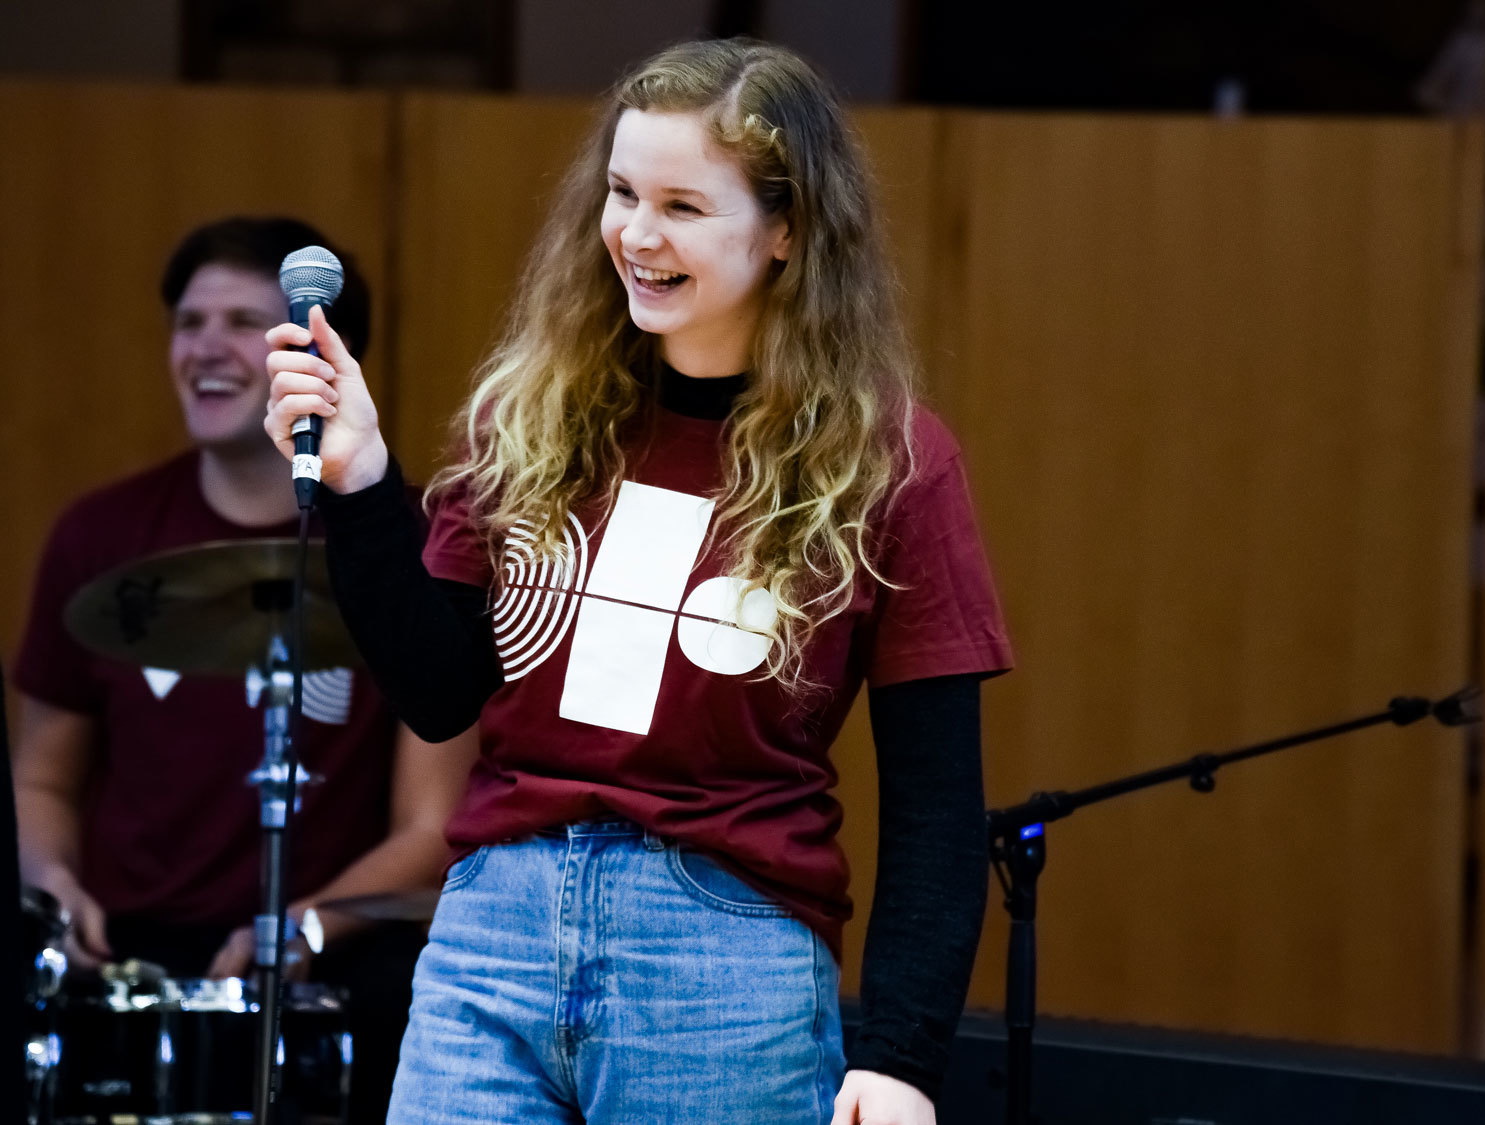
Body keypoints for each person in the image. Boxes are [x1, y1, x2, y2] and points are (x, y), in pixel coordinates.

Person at [264, 38, 1012, 1125]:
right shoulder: (527, 414)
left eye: (682, 205)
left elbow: (938, 805)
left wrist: (899, 1055)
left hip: (724, 956)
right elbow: (437, 693)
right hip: (493, 935)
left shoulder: (891, 460)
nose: (636, 235)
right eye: (620, 193)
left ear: (788, 229)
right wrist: (366, 485)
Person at [9, 216, 480, 1124]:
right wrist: (54, 886)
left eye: (242, 323)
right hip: (131, 956)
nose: (207, 347)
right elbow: (41, 773)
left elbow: (434, 824)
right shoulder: (99, 534)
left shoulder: (409, 543)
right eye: (190, 322)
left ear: (321, 353)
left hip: (329, 959)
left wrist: (303, 925)